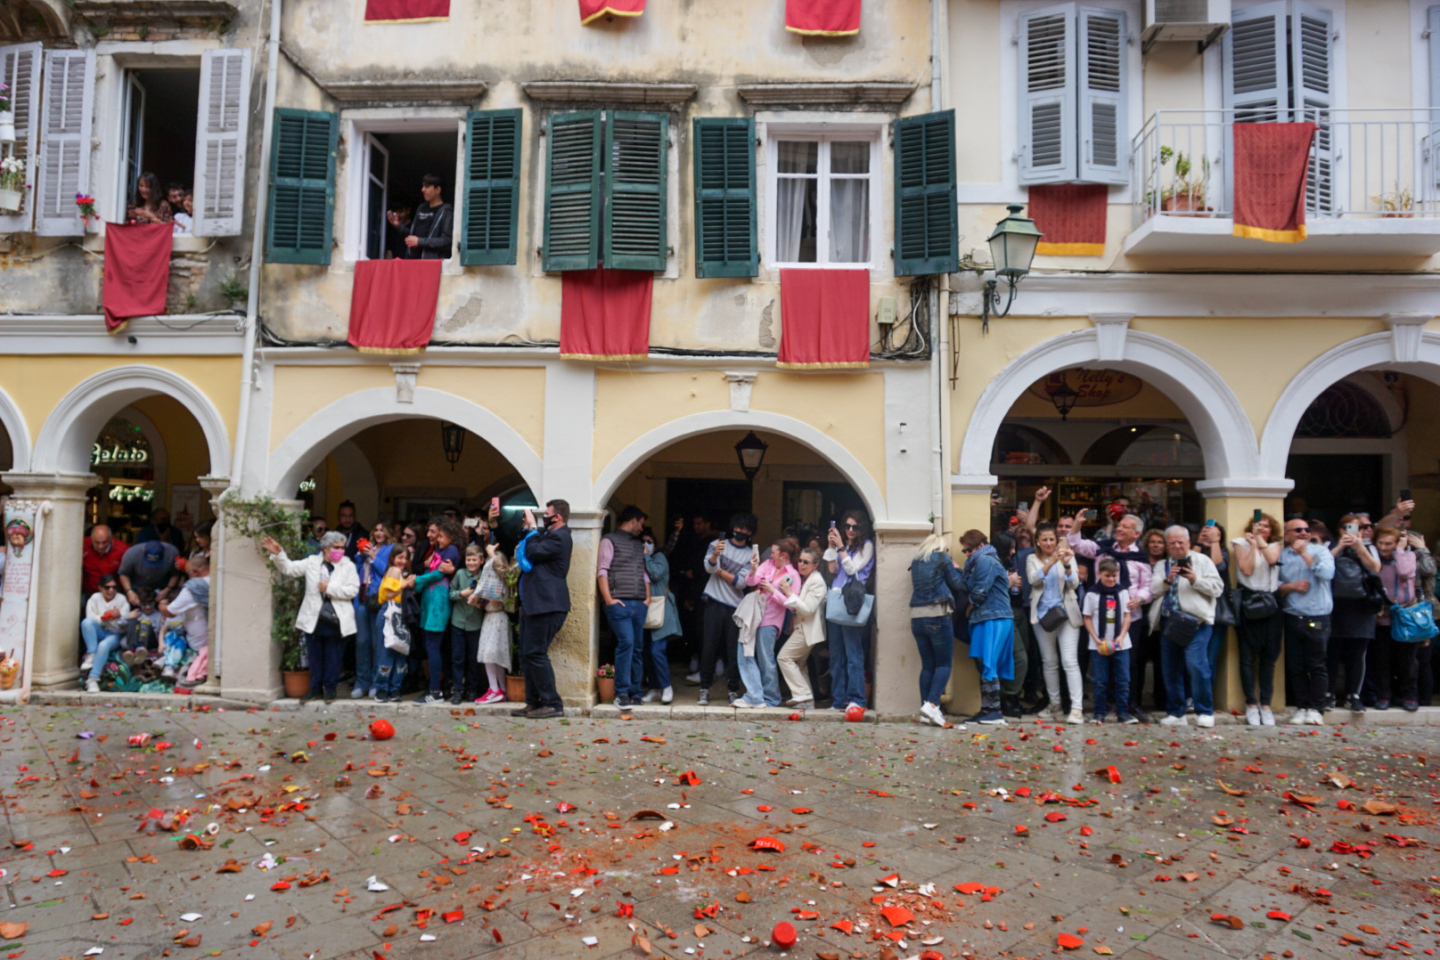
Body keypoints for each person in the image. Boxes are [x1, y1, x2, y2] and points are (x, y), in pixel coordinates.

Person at [1068, 510, 1154, 721]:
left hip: (1129, 617)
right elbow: (1076, 544)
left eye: (1125, 526)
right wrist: (1078, 523)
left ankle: (1127, 706)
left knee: (1129, 664)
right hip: (1101, 618)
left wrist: (1139, 599)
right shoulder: (1103, 549)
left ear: (1136, 533)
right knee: (1102, 666)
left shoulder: (1140, 557)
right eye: (1119, 525)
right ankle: (1102, 706)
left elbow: (1148, 586)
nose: (1119, 528)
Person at [261, 531, 359, 702]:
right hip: (314, 618)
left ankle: (330, 689)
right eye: (336, 547)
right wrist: (279, 553)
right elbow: (289, 569)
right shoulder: (312, 562)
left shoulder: (348, 565)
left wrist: (329, 588)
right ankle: (315, 689)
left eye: (343, 547)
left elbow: (352, 590)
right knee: (314, 657)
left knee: (333, 657)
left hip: (337, 619)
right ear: (325, 548)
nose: (340, 551)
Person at [1148, 525, 1223, 727]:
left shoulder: (1203, 561)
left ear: (1189, 542)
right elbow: (1153, 590)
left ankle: (1205, 711)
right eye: (1172, 543)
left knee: (1196, 665)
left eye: (1181, 542)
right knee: (1170, 669)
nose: (1177, 546)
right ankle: (1176, 713)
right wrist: (1167, 579)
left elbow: (1217, 588)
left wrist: (1194, 579)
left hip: (1196, 622)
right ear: (1167, 545)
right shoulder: (1162, 565)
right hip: (1169, 623)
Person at [514, 500, 573, 719]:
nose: (543, 517)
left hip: (548, 605)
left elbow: (534, 552)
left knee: (536, 653)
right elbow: (528, 543)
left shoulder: (561, 537)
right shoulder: (547, 535)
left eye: (546, 514)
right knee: (526, 654)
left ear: (557, 517)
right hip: (533, 605)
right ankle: (534, 701)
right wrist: (528, 530)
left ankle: (553, 704)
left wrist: (531, 529)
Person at [1278, 517, 1335, 725]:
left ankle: (1316, 708)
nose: (1303, 533)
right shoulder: (1282, 555)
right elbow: (1275, 584)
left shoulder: (1320, 552)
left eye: (1306, 530)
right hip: (1293, 616)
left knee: (1317, 664)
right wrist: (1291, 586)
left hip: (1317, 616)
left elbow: (1327, 574)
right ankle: (1302, 707)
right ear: (1287, 535)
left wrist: (1304, 553)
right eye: (1298, 530)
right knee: (1296, 665)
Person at [696, 513, 757, 706]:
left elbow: (740, 583)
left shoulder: (750, 554)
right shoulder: (716, 544)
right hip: (713, 602)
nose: (739, 532)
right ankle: (704, 689)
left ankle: (733, 690)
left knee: (733, 651)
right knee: (709, 648)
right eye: (737, 528)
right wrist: (715, 556)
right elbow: (707, 567)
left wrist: (719, 570)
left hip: (735, 607)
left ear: (750, 532)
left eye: (744, 530)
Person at [1027, 521, 1084, 724]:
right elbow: (1034, 580)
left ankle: (1077, 708)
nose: (1049, 543)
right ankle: (1055, 703)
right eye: (1045, 540)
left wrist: (1067, 564)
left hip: (1066, 614)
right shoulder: (1032, 559)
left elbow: (1074, 583)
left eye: (1052, 539)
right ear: (1038, 542)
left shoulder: (1067, 555)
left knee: (1069, 661)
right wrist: (1051, 561)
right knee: (1049, 662)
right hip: (1043, 616)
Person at [908, 533, 966, 727]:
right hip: (938, 615)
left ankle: (925, 710)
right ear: (941, 548)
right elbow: (958, 584)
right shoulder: (942, 558)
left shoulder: (916, 561)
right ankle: (932, 704)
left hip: (917, 618)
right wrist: (957, 569)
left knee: (927, 665)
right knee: (943, 664)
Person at [1232, 512, 1283, 725]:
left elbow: (1272, 559)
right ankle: (1251, 704)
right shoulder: (1239, 543)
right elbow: (1246, 568)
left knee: (1269, 657)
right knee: (1247, 657)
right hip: (1249, 602)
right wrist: (1252, 544)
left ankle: (1266, 704)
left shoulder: (1276, 545)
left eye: (1266, 526)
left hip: (1271, 602)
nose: (1262, 529)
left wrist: (1259, 540)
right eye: (1258, 525)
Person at [1327, 513, 1380, 714]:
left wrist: (1359, 548)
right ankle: (1329, 694)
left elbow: (1376, 568)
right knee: (1332, 652)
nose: (1353, 532)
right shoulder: (1330, 546)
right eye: (1348, 527)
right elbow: (1321, 566)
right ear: (1340, 529)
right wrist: (1340, 546)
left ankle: (1354, 695)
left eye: (1357, 528)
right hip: (1335, 606)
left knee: (1357, 655)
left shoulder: (1369, 547)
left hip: (1362, 607)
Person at [598, 506, 651, 707]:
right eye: (641, 523)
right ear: (634, 520)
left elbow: (644, 573)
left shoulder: (638, 544)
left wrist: (647, 598)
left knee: (637, 647)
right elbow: (602, 571)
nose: (642, 528)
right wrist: (609, 600)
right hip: (619, 602)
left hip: (639, 603)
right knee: (627, 643)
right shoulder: (608, 540)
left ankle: (635, 693)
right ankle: (621, 693)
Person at [738, 537, 800, 708]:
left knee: (766, 659)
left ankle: (771, 698)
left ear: (783, 555)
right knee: (748, 654)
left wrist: (773, 590)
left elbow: (793, 604)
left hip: (771, 619)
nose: (770, 555)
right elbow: (750, 582)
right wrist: (753, 568)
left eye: (773, 552)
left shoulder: (793, 574)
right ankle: (756, 695)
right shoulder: (767, 565)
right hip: (754, 616)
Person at [960, 529, 1013, 725]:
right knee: (983, 663)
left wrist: (970, 606)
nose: (967, 553)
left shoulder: (985, 561)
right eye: (964, 550)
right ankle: (987, 709)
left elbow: (980, 591)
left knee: (988, 663)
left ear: (981, 545)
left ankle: (995, 711)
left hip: (993, 617)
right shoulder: (976, 562)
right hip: (987, 617)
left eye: (969, 549)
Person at [824, 511, 875, 714]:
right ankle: (839, 700)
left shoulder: (867, 545)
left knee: (853, 653)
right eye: (847, 526)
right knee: (836, 654)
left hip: (852, 602)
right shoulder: (844, 546)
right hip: (836, 600)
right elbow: (832, 569)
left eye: (855, 527)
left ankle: (857, 699)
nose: (850, 530)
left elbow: (853, 569)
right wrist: (831, 546)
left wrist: (841, 548)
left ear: (862, 528)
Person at [1370, 527, 1421, 712]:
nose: (1383, 547)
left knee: (1407, 660)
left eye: (1388, 543)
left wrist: (1400, 550)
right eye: (1381, 543)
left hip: (1405, 617)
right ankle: (1384, 696)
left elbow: (1405, 573)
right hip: (1382, 615)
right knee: (1382, 659)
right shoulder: (1374, 560)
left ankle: (1408, 695)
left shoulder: (1408, 556)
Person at [414, 517, 463, 704]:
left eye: (441, 536)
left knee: (433, 647)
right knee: (430, 647)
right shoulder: (439, 550)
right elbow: (428, 572)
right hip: (430, 601)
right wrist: (416, 586)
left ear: (451, 536)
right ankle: (435, 688)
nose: (437, 539)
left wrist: (415, 581)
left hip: (438, 603)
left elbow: (438, 573)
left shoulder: (451, 550)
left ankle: (435, 691)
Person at [1083, 558, 1135, 724]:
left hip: (1121, 644)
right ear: (1099, 574)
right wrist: (1096, 639)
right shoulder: (1092, 594)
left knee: (1123, 680)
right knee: (1100, 681)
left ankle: (1123, 713)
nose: (1111, 579)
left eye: (1114, 576)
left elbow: (1127, 616)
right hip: (1099, 644)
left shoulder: (1122, 592)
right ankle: (1099, 713)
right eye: (1107, 576)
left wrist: (1121, 636)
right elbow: (1087, 618)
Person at [351, 522, 395, 700]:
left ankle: (377, 683)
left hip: (379, 600)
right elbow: (357, 570)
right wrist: (361, 555)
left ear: (387, 532)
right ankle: (362, 682)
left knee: (378, 643)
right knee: (362, 642)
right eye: (375, 530)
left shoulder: (391, 549)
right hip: (362, 598)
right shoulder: (369, 547)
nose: (378, 533)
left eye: (381, 530)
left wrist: (374, 557)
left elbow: (388, 571)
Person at [640, 527, 680, 704]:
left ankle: (666, 686)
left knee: (657, 650)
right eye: (643, 541)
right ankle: (655, 688)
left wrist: (646, 555)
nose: (646, 544)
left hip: (661, 610)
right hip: (646, 609)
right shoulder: (640, 559)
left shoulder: (659, 558)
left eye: (650, 541)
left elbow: (656, 574)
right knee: (648, 651)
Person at [373, 545, 416, 703]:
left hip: (399, 614)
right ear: (393, 558)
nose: (403, 561)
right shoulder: (395, 570)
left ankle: (391, 689)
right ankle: (385, 689)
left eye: (406, 558)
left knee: (398, 652)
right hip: (390, 613)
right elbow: (390, 593)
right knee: (389, 652)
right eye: (400, 557)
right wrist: (407, 584)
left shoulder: (401, 573)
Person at [160, 553, 210, 685]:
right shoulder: (219, 580)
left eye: (188, 573)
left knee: (174, 636)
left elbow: (170, 612)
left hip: (198, 643)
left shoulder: (194, 587)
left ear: (194, 572)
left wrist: (161, 606)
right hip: (212, 640)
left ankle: (167, 664)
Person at [474, 543, 513, 704]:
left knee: (490, 654)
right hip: (491, 617)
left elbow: (495, 602)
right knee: (492, 655)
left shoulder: (498, 581)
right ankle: (500, 689)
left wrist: (478, 593)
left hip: (497, 618)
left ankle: (495, 689)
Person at [448, 543, 486, 703]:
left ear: (481, 560)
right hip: (458, 622)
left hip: (475, 623)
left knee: (473, 658)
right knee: (457, 658)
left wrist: (479, 600)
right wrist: (462, 594)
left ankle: (472, 689)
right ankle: (457, 689)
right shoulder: (459, 574)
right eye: (468, 560)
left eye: (474, 560)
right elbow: (450, 594)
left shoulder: (485, 576)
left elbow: (488, 599)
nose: (471, 563)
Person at [80, 575, 130, 691]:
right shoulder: (95, 598)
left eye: (114, 587)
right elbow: (90, 618)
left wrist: (119, 616)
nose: (111, 590)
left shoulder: (121, 599)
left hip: (115, 633)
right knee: (86, 622)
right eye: (107, 587)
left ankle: (93, 679)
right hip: (100, 630)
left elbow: (125, 624)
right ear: (101, 588)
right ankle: (91, 654)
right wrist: (103, 617)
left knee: (103, 646)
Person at [386, 173, 454, 259]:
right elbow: (413, 235)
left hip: (431, 265)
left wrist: (420, 241)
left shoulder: (446, 210)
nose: (423, 190)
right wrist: (398, 225)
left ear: (437, 190)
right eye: (423, 186)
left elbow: (447, 240)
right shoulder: (422, 208)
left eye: (427, 186)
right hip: (411, 262)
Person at [118, 539, 181, 607]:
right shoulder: (131, 554)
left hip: (162, 588)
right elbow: (123, 574)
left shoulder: (172, 553)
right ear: (143, 550)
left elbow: (176, 573)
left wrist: (168, 588)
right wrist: (129, 591)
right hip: (137, 589)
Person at [82, 525, 127, 598]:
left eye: (104, 542)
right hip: (88, 593)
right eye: (97, 542)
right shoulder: (82, 545)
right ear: (91, 539)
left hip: (113, 594)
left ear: (110, 539)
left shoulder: (123, 550)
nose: (101, 546)